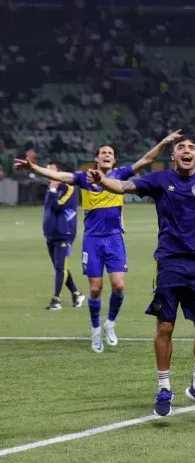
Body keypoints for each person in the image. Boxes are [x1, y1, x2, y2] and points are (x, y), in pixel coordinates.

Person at [89, 135, 195, 416]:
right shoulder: (159, 180)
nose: (187, 150)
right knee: (165, 327)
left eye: (192, 148)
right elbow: (122, 186)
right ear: (173, 157)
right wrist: (100, 181)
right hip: (168, 264)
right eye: (181, 147)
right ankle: (163, 387)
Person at [15, 131, 180, 353]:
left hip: (114, 239)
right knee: (95, 289)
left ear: (114, 159)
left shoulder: (120, 175)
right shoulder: (84, 178)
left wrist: (163, 142)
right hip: (92, 240)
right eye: (103, 152)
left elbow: (147, 160)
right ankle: (95, 330)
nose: (106, 155)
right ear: (97, 158)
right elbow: (61, 176)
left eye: (110, 153)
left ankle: (110, 324)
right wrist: (32, 168)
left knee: (119, 286)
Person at [41, 162, 84, 310]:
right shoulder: (52, 189)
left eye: (51, 170)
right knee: (60, 267)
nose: (47, 172)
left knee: (60, 267)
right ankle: (77, 293)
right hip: (51, 234)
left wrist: (53, 190)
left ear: (60, 173)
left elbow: (57, 207)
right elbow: (48, 212)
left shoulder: (68, 188)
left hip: (64, 233)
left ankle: (56, 300)